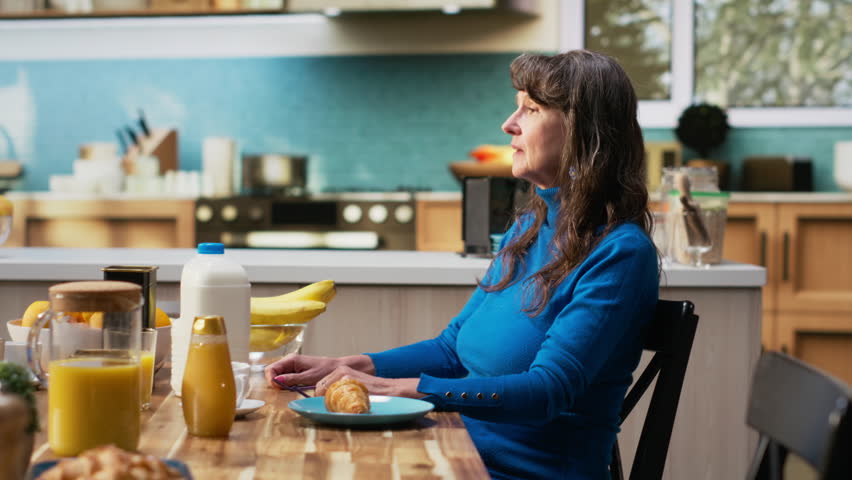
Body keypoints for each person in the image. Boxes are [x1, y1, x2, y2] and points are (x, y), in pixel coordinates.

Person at [265, 49, 659, 480]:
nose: (509, 124)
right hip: (454, 456)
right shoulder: (530, 226)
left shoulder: (619, 254)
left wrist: (403, 390)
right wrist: (351, 365)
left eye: (530, 109)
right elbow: (452, 350)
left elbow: (548, 391)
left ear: (584, 130)